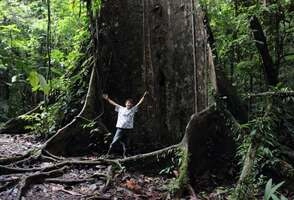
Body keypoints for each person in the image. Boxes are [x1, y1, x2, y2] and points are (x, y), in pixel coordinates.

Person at [103, 91, 148, 157]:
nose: (129, 104)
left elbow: (139, 103)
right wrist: (107, 99)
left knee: (126, 143)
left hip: (128, 129)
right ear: (125, 104)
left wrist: (144, 96)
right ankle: (108, 154)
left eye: (130, 104)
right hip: (120, 128)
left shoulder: (133, 109)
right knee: (114, 141)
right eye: (127, 103)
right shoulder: (121, 108)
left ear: (132, 105)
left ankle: (125, 155)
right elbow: (114, 103)